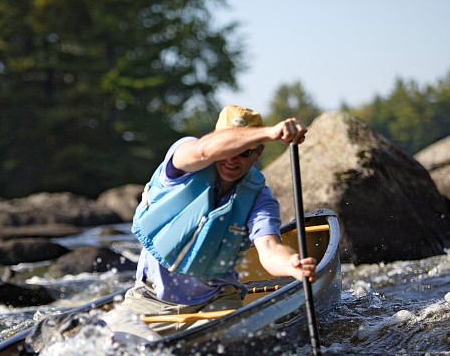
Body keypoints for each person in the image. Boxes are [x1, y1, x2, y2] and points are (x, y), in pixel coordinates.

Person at [121, 105, 316, 335]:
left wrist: (292, 264)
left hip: (215, 302)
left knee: (227, 347)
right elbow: (204, 150)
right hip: (149, 298)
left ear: (258, 153)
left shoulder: (260, 199)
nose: (231, 159)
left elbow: (269, 249)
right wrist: (270, 132)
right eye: (227, 149)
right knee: (113, 347)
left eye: (244, 152)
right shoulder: (184, 159)